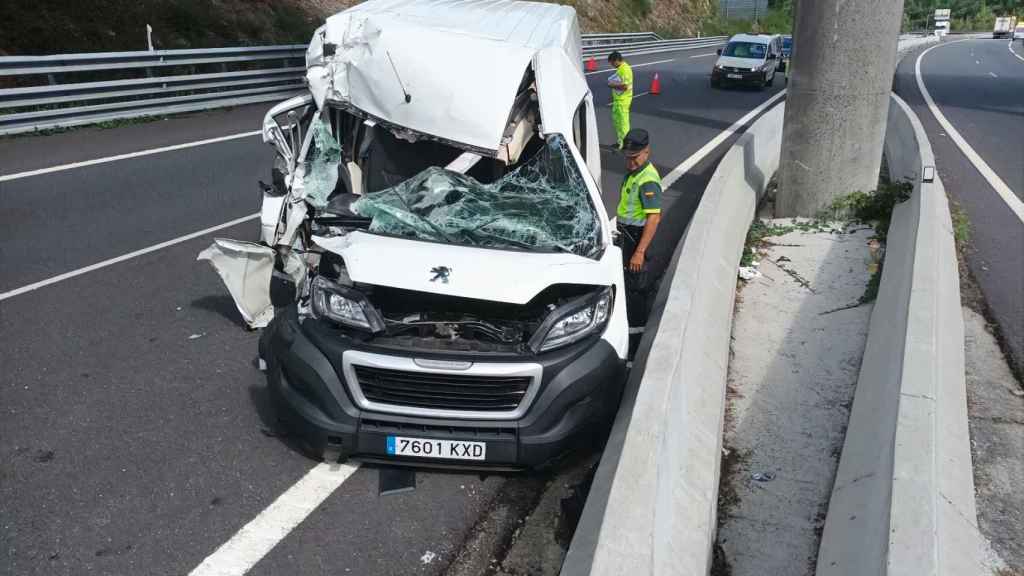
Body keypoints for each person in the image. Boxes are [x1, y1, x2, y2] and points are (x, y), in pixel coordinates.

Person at [616, 129, 662, 329]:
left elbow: (654, 218)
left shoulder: (647, 179)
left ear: (647, 152)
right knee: (628, 285)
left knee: (635, 290)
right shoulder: (635, 173)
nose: (630, 162)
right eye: (627, 157)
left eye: (634, 157)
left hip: (637, 240)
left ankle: (635, 341)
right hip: (627, 236)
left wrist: (639, 252)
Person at [607, 51, 633, 149]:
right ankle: (620, 142)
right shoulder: (621, 68)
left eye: (613, 63)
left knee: (623, 124)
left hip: (623, 101)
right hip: (618, 100)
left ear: (617, 60)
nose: (612, 66)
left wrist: (612, 85)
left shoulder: (625, 69)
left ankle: (625, 145)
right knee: (618, 123)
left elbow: (625, 86)